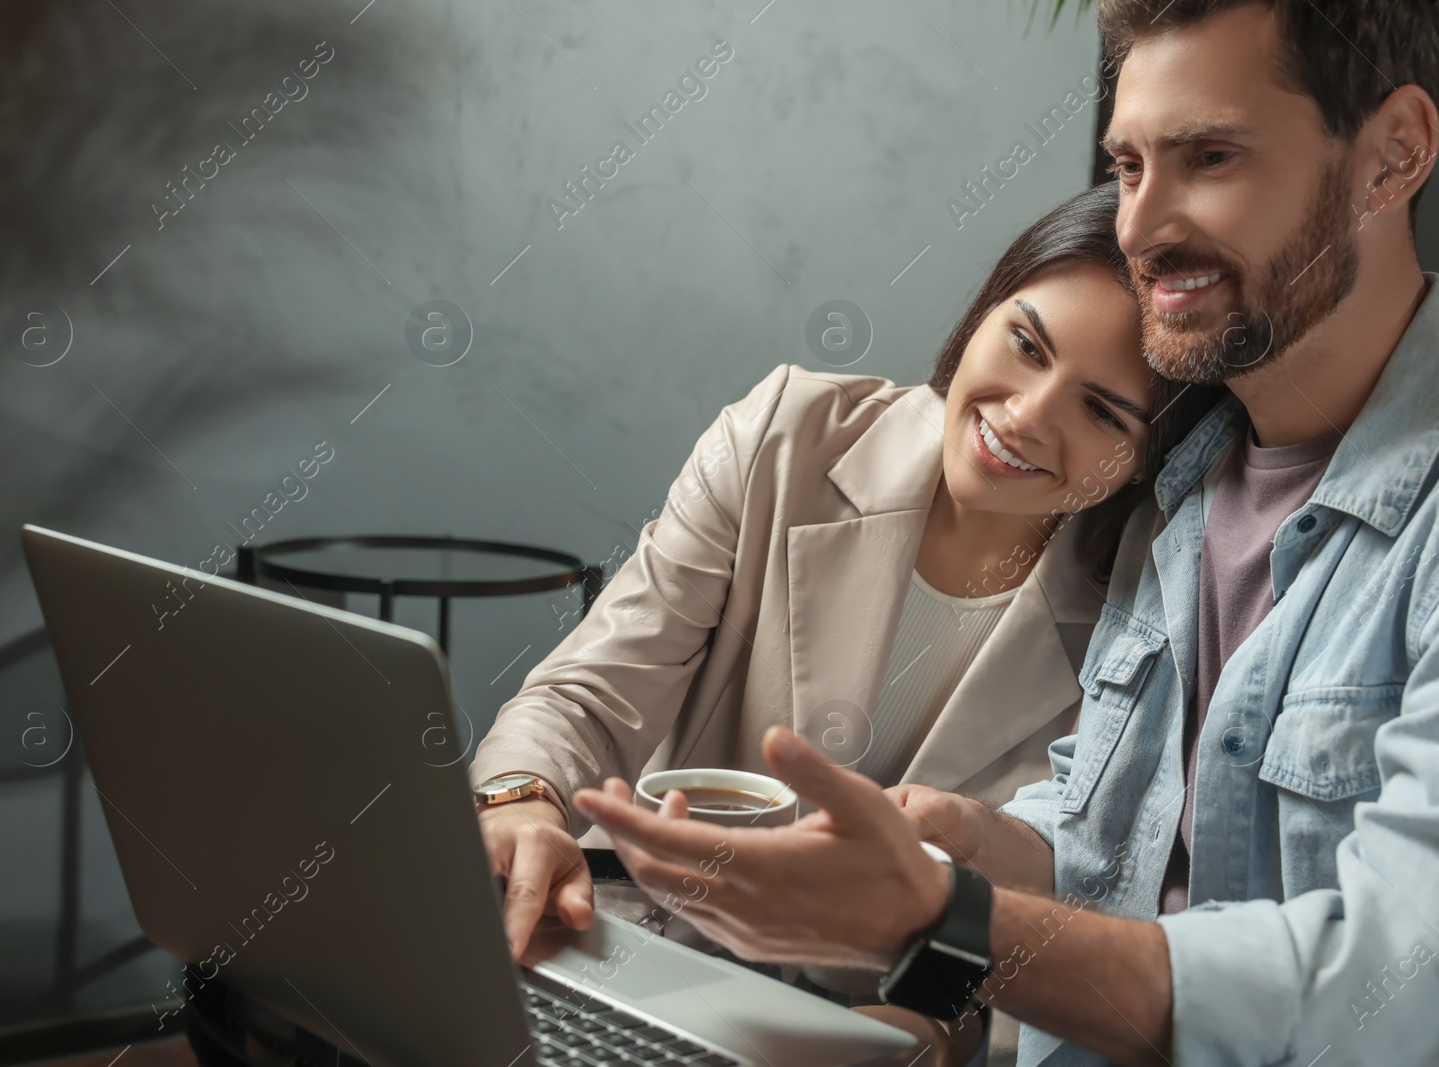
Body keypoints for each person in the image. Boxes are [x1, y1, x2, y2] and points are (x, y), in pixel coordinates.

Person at [575, 2, 1439, 1065]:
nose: (1140, 227)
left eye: (1210, 156)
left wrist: (937, 913)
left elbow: (1395, 983)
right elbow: (1104, 839)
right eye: (1127, 167)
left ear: (1392, 156)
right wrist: (982, 844)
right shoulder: (1175, 491)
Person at [471, 182, 1221, 1058]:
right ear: (984, 313)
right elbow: (590, 693)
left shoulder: (1144, 616)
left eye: (1102, 410)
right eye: (1025, 342)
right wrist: (518, 804)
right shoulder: (786, 436)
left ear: (1143, 460)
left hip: (859, 1026)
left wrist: (931, 1032)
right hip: (636, 952)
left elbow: (1058, 899)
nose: (1025, 415)